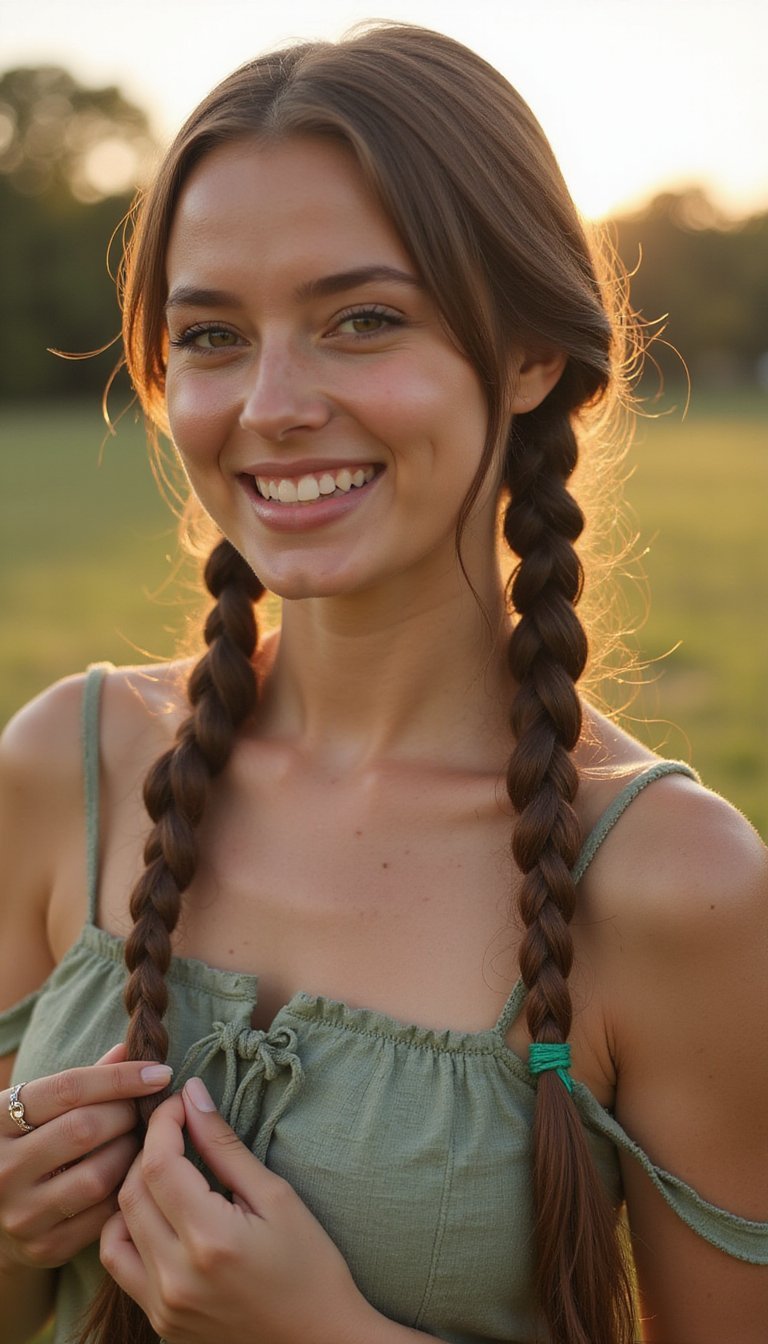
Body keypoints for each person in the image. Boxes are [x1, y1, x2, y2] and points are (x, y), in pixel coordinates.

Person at [0, 21, 766, 1344]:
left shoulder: (677, 885)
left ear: (530, 354)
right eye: (214, 335)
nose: (274, 403)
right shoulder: (63, 766)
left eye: (363, 320)